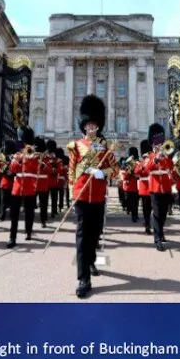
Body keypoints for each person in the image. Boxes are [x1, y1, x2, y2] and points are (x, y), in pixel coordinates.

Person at [68, 94, 119, 299]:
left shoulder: (104, 147)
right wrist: (74, 191)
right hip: (82, 194)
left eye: (94, 125)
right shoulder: (76, 146)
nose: (91, 128)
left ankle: (91, 260)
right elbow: (71, 172)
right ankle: (83, 278)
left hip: (98, 195)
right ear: (84, 126)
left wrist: (102, 173)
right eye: (88, 125)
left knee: (95, 233)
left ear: (98, 126)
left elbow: (115, 170)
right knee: (82, 235)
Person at [141, 123, 174, 251]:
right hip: (154, 188)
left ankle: (160, 231)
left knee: (164, 214)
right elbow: (146, 169)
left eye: (160, 143)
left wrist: (165, 157)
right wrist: (156, 159)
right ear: (152, 144)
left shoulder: (166, 154)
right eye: (156, 144)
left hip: (166, 188)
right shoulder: (149, 156)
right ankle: (157, 238)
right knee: (157, 213)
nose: (159, 146)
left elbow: (171, 167)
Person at [7, 128, 40, 248]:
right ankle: (12, 237)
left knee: (29, 212)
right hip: (17, 187)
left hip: (29, 187)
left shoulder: (35, 155)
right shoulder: (17, 155)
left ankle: (28, 231)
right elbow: (13, 169)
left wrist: (30, 157)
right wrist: (19, 159)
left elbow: (36, 169)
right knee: (14, 214)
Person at [135, 140, 153, 235]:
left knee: (151, 208)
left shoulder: (152, 161)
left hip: (152, 186)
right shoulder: (140, 163)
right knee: (146, 208)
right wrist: (143, 167)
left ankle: (149, 222)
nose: (146, 156)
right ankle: (147, 224)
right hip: (143, 188)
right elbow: (137, 173)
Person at [34, 137, 52, 229]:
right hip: (34, 184)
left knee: (43, 204)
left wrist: (43, 166)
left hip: (43, 184)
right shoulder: (33, 158)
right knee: (31, 204)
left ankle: (43, 220)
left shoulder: (47, 159)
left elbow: (49, 170)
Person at [0, 140, 16, 222]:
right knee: (3, 201)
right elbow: (0, 169)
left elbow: (17, 169)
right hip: (4, 182)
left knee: (12, 201)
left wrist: (12, 174)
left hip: (12, 182)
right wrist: (5, 171)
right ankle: (2, 215)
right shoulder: (2, 157)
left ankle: (12, 215)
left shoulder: (15, 158)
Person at [122, 147, 140, 223]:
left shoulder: (138, 162)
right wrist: (130, 171)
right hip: (130, 185)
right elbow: (124, 175)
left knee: (135, 202)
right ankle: (133, 213)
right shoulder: (126, 162)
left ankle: (134, 215)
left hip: (136, 185)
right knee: (132, 201)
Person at [46, 140, 62, 218]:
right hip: (47, 180)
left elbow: (60, 168)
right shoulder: (45, 157)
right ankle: (48, 211)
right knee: (47, 198)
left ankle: (54, 211)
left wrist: (55, 170)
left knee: (54, 198)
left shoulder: (57, 159)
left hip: (53, 180)